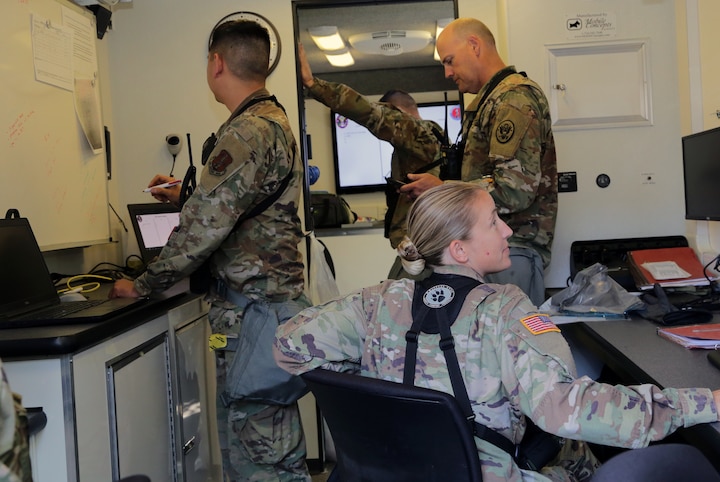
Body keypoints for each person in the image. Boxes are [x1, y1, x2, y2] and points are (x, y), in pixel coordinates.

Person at [274, 182, 720, 482]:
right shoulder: (506, 308)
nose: (508, 229)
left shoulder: (373, 302)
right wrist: (710, 402)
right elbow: (566, 411)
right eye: (493, 222)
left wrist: (377, 394)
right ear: (459, 250)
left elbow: (289, 346)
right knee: (683, 464)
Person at [109, 20, 310, 481]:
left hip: (253, 318)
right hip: (263, 315)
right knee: (264, 444)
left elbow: (202, 229)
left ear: (217, 63)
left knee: (261, 456)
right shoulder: (269, 122)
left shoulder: (246, 132)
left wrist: (141, 285)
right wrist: (188, 193)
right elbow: (244, 202)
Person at [401, 17, 556, 306]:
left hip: (509, 252)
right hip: (487, 252)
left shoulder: (513, 100)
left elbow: (515, 190)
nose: (447, 73)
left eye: (450, 61)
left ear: (474, 45)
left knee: (509, 347)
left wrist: (443, 190)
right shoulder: (492, 102)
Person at [298, 43, 445, 280]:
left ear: (398, 113)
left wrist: (314, 85)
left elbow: (369, 113)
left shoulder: (415, 132)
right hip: (427, 246)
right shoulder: (436, 137)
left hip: (422, 248)